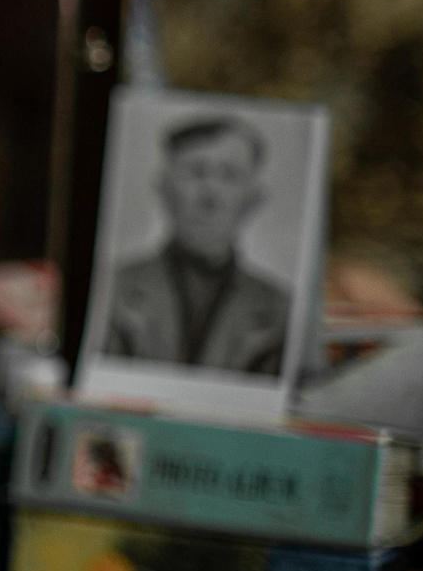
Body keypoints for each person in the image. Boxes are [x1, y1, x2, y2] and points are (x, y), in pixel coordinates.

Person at [101, 116, 291, 376]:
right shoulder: (112, 289)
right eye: (196, 171)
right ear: (164, 187)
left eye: (229, 175)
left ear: (254, 197)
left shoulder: (280, 309)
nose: (210, 194)